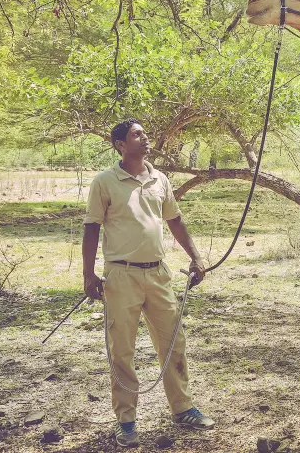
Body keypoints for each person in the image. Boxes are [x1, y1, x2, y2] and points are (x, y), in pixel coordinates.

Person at [83, 119, 215, 447]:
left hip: (159, 273)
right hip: (121, 275)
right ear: (119, 145)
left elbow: (175, 220)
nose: (144, 138)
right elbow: (91, 228)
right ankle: (126, 420)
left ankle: (183, 408)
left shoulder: (160, 179)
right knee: (122, 350)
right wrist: (88, 275)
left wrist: (196, 257)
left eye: (144, 133)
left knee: (173, 341)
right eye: (136, 135)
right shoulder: (105, 182)